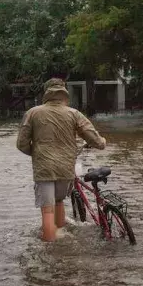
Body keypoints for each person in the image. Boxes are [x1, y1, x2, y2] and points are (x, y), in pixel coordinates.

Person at [17, 78, 107, 242]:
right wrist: (102, 143)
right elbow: (93, 137)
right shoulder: (73, 113)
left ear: (46, 93)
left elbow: (21, 144)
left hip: (44, 168)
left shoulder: (33, 113)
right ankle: (62, 243)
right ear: (64, 93)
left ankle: (51, 253)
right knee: (59, 202)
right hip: (65, 168)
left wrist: (37, 153)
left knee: (47, 211)